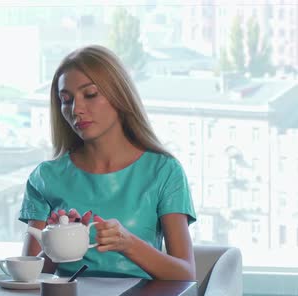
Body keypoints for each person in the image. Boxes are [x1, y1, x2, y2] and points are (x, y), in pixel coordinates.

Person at [19, 45, 196, 282]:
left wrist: (129, 244)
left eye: (90, 94)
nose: (76, 109)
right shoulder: (45, 177)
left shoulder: (164, 171)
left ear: (119, 96)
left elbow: (186, 274)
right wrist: (60, 244)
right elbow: (29, 279)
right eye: (66, 100)